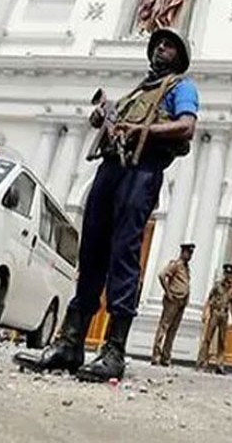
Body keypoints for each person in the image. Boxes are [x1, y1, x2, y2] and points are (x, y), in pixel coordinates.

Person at [13, 28, 199, 382]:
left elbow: (186, 128)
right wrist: (105, 119)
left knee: (124, 253)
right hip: (110, 170)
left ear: (180, 57)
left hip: (141, 171)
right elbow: (114, 126)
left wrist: (136, 128)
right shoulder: (136, 92)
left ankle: (114, 349)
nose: (162, 48)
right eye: (159, 43)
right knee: (92, 253)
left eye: (171, 46)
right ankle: (71, 342)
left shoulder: (180, 88)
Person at [151, 242, 195, 366]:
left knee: (173, 330)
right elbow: (161, 275)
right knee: (164, 327)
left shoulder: (186, 268)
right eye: (188, 252)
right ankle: (156, 356)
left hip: (181, 302)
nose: (190, 255)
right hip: (173, 300)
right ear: (183, 252)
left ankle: (166, 357)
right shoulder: (176, 265)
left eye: (191, 253)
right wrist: (168, 292)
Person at [197, 263, 232, 374]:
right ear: (224, 274)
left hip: (224, 314)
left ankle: (220, 365)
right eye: (227, 273)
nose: (228, 276)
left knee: (222, 340)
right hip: (215, 312)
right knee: (208, 338)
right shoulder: (217, 285)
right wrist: (205, 312)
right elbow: (209, 299)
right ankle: (202, 362)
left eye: (230, 274)